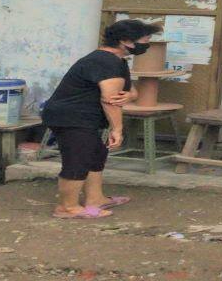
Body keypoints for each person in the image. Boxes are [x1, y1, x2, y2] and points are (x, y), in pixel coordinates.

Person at [41, 19, 161, 219]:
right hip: (72, 117)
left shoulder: (117, 61)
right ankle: (67, 208)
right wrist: (117, 129)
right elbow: (110, 100)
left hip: (85, 117)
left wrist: (131, 95)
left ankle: (96, 199)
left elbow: (129, 91)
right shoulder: (104, 62)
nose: (147, 45)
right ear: (126, 41)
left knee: (96, 155)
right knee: (78, 160)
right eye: (145, 40)